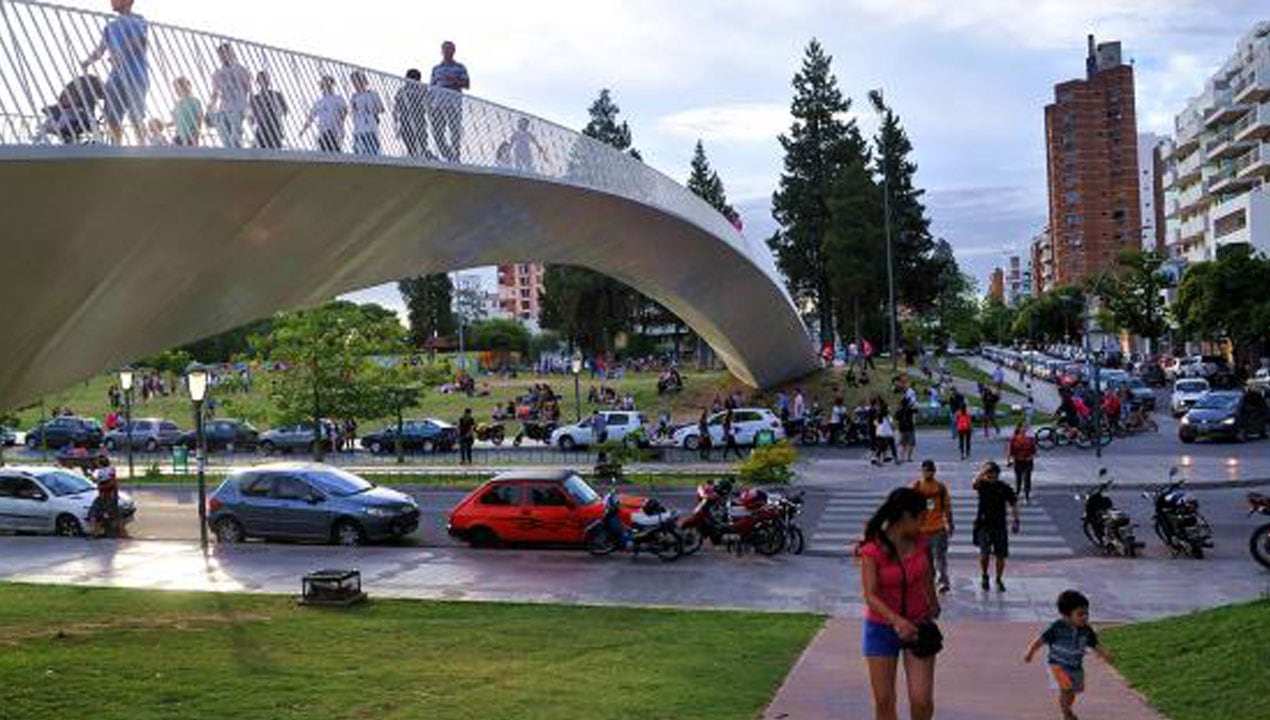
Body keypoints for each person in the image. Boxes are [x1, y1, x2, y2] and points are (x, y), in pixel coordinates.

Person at [857, 487, 938, 720]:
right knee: (884, 701)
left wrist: (932, 602)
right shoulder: (872, 549)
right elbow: (870, 595)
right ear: (905, 516)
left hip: (918, 626)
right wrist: (897, 621)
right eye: (921, 517)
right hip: (881, 628)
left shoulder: (921, 542)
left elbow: (927, 572)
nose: (924, 523)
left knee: (921, 701)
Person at [1024, 590, 1110, 720]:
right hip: (1057, 665)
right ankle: (1066, 714)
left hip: (1075, 667)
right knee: (1066, 689)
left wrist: (1104, 654)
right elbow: (1041, 639)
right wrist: (1030, 651)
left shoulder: (1086, 629)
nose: (1085, 617)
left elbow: (1094, 644)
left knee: (1073, 693)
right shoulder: (1057, 627)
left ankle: (1067, 709)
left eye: (1086, 613)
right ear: (1066, 616)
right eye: (1080, 614)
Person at [81, 0, 149, 146]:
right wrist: (88, 61)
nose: (111, 1)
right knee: (111, 115)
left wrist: (121, 54)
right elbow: (101, 49)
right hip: (116, 76)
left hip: (136, 74)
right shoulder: (110, 26)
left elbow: (140, 41)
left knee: (136, 115)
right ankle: (116, 146)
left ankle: (142, 147)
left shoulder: (138, 20)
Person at [973, 461, 1020, 592]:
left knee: (1001, 555)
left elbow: (1014, 503)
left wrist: (1016, 520)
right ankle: (984, 575)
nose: (991, 476)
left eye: (993, 473)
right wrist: (982, 471)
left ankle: (998, 579)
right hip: (983, 525)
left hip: (999, 525)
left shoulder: (1004, 487)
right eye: (989, 473)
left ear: (998, 474)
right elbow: (974, 484)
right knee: (984, 553)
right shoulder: (982, 485)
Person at [912, 460, 953, 593]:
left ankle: (942, 582)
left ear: (934, 471)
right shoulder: (916, 486)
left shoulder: (940, 487)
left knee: (940, 557)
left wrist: (950, 523)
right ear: (922, 471)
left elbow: (947, 507)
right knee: (926, 559)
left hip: (938, 529)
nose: (928, 473)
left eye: (930, 470)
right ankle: (930, 580)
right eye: (925, 470)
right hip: (921, 531)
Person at [430, 41, 470, 162]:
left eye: (450, 49)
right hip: (438, 104)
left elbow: (467, 84)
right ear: (442, 51)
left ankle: (456, 156)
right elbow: (431, 86)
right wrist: (430, 103)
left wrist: (452, 80)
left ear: (454, 51)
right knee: (437, 131)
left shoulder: (460, 67)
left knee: (454, 131)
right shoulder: (436, 68)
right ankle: (449, 154)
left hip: (454, 104)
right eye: (445, 49)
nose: (448, 52)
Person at [209, 43, 252, 148]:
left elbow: (248, 89)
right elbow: (215, 92)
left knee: (235, 137)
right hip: (223, 108)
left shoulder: (241, 69)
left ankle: (238, 156)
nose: (223, 56)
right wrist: (210, 108)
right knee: (225, 137)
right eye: (220, 54)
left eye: (225, 52)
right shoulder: (217, 73)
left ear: (231, 53)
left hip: (238, 107)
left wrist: (249, 109)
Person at [301, 75, 347, 153]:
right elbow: (311, 117)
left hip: (335, 132)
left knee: (335, 154)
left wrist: (339, 125)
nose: (326, 86)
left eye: (328, 84)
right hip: (323, 132)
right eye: (323, 84)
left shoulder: (338, 99)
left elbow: (344, 112)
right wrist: (303, 130)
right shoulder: (319, 102)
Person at [394, 68, 430, 158]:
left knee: (420, 140)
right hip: (406, 119)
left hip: (418, 119)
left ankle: (421, 154)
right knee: (409, 140)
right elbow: (397, 105)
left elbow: (427, 102)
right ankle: (413, 154)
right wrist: (396, 121)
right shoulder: (402, 90)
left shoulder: (420, 89)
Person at [249, 71, 289, 149]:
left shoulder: (276, 95)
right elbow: (252, 117)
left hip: (274, 126)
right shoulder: (255, 98)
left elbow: (285, 111)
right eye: (261, 80)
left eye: (265, 80)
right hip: (262, 128)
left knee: (275, 151)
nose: (263, 82)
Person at [349, 71, 384, 156]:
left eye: (357, 80)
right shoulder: (354, 96)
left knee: (372, 152)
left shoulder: (372, 94)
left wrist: (371, 110)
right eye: (353, 81)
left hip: (370, 128)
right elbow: (353, 112)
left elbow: (381, 109)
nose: (355, 84)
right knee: (358, 153)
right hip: (358, 129)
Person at [1006, 422, 1038, 504]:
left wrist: (1031, 457)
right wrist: (1009, 461)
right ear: (1019, 428)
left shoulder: (1030, 439)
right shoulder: (1014, 439)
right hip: (1018, 461)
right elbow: (1010, 451)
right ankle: (1017, 493)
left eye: (1025, 428)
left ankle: (1026, 496)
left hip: (1028, 461)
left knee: (1027, 478)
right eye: (1022, 427)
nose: (1024, 429)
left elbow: (1035, 452)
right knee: (1018, 479)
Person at [171, 76, 203, 146]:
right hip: (180, 135)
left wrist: (196, 134)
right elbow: (176, 120)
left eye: (178, 88)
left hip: (191, 134)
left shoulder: (194, 101)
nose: (176, 91)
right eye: (175, 89)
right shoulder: (177, 104)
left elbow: (199, 118)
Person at [896, 397, 917, 463]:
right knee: (911, 444)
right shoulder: (910, 409)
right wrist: (912, 405)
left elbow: (896, 417)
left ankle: (902, 457)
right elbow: (916, 410)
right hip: (910, 428)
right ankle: (909, 457)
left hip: (902, 428)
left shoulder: (899, 410)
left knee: (903, 444)